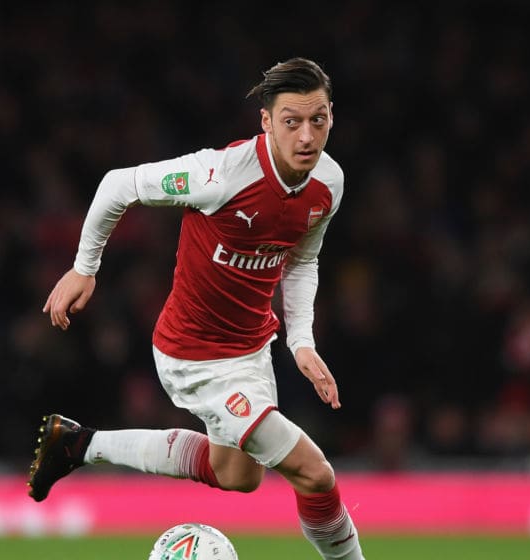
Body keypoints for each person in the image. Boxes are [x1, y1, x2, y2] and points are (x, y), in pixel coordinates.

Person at [28, 57, 365, 560]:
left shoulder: (327, 185)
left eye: (318, 120)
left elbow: (302, 260)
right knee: (315, 473)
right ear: (267, 122)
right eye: (291, 121)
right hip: (195, 356)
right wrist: (85, 267)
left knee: (238, 476)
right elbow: (119, 185)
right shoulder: (220, 174)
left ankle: (77, 444)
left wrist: (301, 341)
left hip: (251, 351)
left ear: (332, 117)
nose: (306, 136)